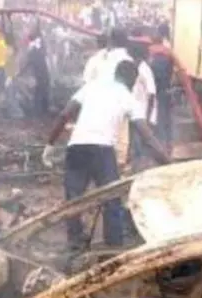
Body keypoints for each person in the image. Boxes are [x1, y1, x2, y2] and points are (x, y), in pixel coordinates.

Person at [41, 60, 170, 248]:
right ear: (132, 80)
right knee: (112, 200)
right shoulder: (128, 97)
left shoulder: (91, 87)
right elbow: (147, 137)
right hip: (102, 150)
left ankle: (75, 243)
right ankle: (114, 245)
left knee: (73, 199)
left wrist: (50, 145)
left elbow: (64, 114)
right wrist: (168, 162)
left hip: (77, 147)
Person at [128, 43, 157, 170]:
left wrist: (148, 116)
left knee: (139, 141)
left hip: (143, 113)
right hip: (135, 112)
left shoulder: (145, 70)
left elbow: (151, 93)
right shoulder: (136, 68)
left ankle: (140, 166)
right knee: (135, 141)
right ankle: (136, 165)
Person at [148, 30, 175, 148]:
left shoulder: (151, 57)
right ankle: (168, 142)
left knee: (157, 117)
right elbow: (171, 72)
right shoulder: (168, 55)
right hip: (167, 90)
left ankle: (159, 143)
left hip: (156, 92)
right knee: (167, 117)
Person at [23, 26, 51, 118]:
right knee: (43, 91)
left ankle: (39, 111)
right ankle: (42, 110)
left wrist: (20, 72)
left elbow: (28, 63)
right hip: (43, 73)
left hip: (40, 74)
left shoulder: (33, 49)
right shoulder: (38, 48)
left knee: (40, 92)